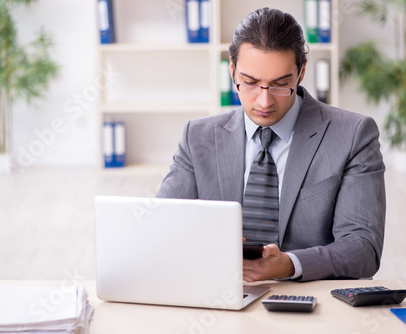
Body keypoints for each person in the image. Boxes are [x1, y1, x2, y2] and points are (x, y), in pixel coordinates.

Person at [156, 7, 385, 282]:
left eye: (280, 84)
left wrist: (290, 264)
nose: (264, 102)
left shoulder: (353, 135)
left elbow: (363, 248)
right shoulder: (198, 137)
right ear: (232, 71)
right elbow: (163, 227)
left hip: (309, 299)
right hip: (221, 293)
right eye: (250, 83)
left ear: (301, 73)